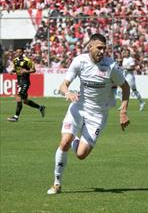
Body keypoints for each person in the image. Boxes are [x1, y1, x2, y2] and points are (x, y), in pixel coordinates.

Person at [47, 33, 131, 195]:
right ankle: (57, 183)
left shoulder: (111, 66)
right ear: (90, 47)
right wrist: (68, 93)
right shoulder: (79, 61)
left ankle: (75, 140)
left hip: (98, 114)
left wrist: (123, 111)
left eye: (104, 48)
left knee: (81, 155)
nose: (102, 51)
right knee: (64, 142)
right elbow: (63, 85)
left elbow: (125, 88)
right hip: (78, 107)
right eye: (99, 47)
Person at [7, 47, 45, 122]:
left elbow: (33, 70)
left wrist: (26, 71)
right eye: (17, 52)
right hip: (19, 81)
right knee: (25, 101)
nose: (18, 53)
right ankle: (40, 107)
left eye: (20, 52)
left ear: (23, 52)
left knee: (18, 96)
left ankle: (15, 117)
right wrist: (12, 71)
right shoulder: (15, 60)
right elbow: (16, 69)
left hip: (25, 82)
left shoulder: (27, 61)